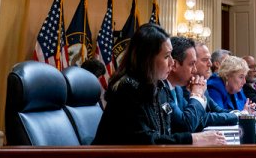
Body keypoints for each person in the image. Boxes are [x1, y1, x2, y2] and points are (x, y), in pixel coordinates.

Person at [93, 24, 225, 145]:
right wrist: (194, 139)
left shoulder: (160, 88)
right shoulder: (128, 89)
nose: (172, 63)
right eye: (167, 56)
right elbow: (146, 140)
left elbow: (166, 133)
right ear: (148, 58)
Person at [165, 36, 206, 133]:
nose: (195, 70)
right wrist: (196, 95)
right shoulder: (161, 88)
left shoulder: (178, 89)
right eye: (191, 64)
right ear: (174, 65)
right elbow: (185, 125)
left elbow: (198, 120)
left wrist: (235, 116)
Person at [192, 43, 238, 126]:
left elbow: (218, 110)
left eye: (210, 59)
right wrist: (237, 116)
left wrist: (239, 114)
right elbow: (201, 118)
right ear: (193, 62)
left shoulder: (202, 84)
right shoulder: (182, 87)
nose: (210, 64)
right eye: (205, 60)